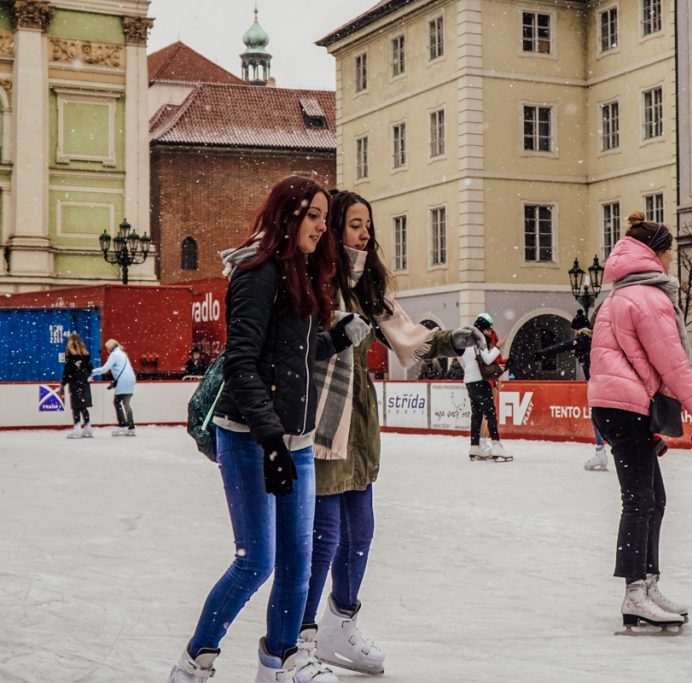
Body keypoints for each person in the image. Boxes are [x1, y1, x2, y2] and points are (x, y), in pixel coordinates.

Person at [166, 175, 368, 683]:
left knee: (297, 561)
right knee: (256, 559)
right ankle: (195, 660)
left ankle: (280, 661)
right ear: (288, 215)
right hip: (250, 437)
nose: (323, 227)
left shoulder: (303, 272)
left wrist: (335, 339)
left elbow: (293, 359)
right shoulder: (258, 274)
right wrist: (271, 440)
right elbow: (242, 364)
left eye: (326, 217)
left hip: (294, 441)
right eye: (315, 216)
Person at [298, 190, 485, 680]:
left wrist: (451, 339)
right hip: (320, 424)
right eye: (356, 224)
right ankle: (302, 635)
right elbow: (295, 349)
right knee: (325, 536)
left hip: (358, 427)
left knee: (361, 531)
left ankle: (341, 621)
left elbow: (407, 334)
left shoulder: (365, 286)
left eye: (368, 225)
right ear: (334, 228)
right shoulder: (313, 282)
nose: (366, 234)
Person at [588, 221, 692, 633]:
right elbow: (673, 364)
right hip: (625, 406)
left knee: (653, 499)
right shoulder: (648, 298)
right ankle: (634, 594)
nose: (670, 258)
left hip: (620, 405)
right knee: (640, 501)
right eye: (669, 250)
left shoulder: (618, 296)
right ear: (655, 253)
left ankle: (646, 584)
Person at [533, 308, 608, 471]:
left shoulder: (582, 339)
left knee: (597, 417)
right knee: (601, 416)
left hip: (595, 382)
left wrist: (542, 354)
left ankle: (601, 451)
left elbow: (562, 346)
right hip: (603, 380)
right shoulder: (594, 339)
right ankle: (604, 450)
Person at [461, 312, 512, 462]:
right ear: (484, 329)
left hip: (469, 381)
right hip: (479, 380)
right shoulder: (479, 339)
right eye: (489, 328)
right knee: (490, 413)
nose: (490, 331)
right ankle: (496, 445)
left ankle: (475, 446)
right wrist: (497, 346)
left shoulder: (466, 341)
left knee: (476, 414)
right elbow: (488, 360)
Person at [91, 338, 137, 436]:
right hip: (131, 380)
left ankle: (123, 426)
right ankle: (131, 427)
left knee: (117, 402)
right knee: (126, 403)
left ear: (110, 348)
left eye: (107, 348)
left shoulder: (114, 355)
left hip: (123, 381)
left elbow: (105, 369)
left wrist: (92, 372)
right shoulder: (123, 354)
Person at [60, 332, 94, 439]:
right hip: (84, 382)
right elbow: (90, 369)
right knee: (83, 405)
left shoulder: (70, 355)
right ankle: (88, 427)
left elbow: (67, 372)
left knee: (76, 406)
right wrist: (87, 376)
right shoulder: (85, 355)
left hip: (75, 382)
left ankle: (77, 428)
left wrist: (63, 383)